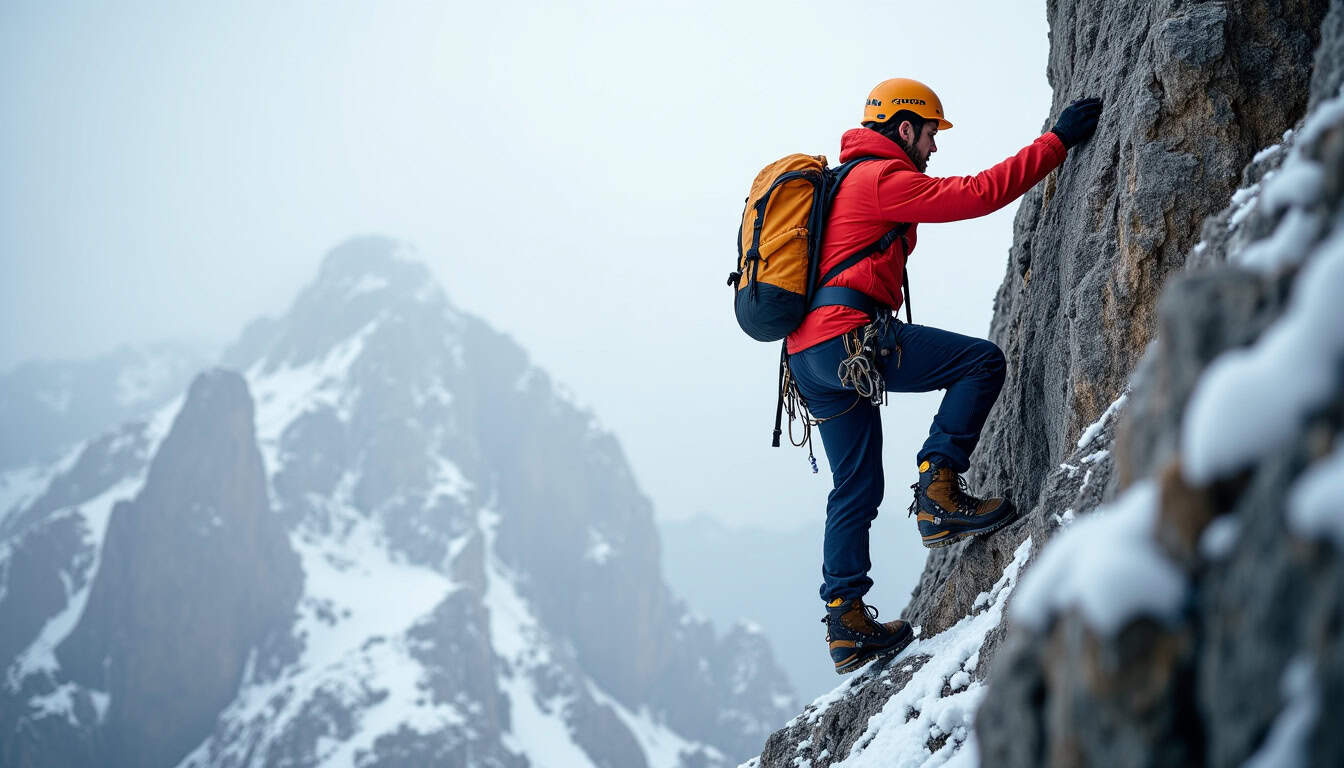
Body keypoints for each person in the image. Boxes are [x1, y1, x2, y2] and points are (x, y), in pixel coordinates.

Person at [789, 78, 1103, 674]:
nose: (934, 148)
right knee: (981, 363)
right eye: (931, 134)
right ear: (905, 128)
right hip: (848, 338)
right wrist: (1057, 142)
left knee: (854, 485)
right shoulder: (881, 178)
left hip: (809, 358)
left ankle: (846, 621)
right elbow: (978, 194)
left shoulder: (841, 181)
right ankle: (938, 492)